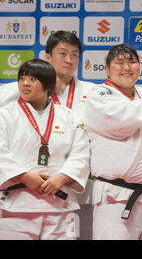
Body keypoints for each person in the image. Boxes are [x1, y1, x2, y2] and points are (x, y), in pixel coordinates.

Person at [84, 44, 142, 240]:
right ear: (106, 69)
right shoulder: (99, 95)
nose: (127, 67)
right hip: (115, 196)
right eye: (119, 63)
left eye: (132, 62)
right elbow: (120, 123)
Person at [0, 59, 90, 240]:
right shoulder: (5, 115)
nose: (25, 83)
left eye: (33, 79)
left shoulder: (70, 117)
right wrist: (24, 176)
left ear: (48, 84)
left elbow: (80, 154)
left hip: (59, 204)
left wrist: (61, 178)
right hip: (16, 206)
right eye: (22, 78)